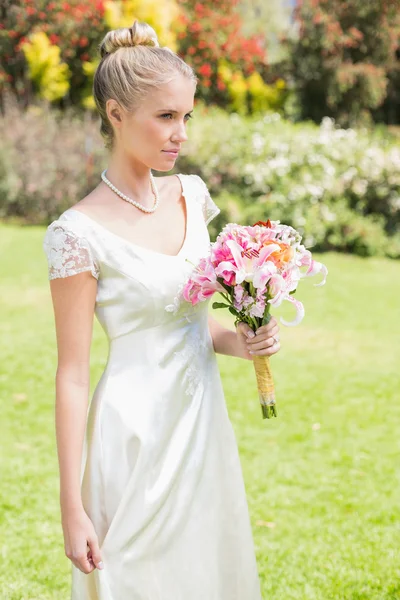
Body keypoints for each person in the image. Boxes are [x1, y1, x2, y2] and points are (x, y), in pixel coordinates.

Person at [42, 20, 281, 600]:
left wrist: (244, 339)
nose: (180, 134)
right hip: (134, 436)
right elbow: (72, 374)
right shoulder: (75, 234)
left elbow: (194, 323)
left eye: (186, 117)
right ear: (117, 113)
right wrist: (71, 506)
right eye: (165, 116)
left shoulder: (191, 196)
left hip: (202, 429)